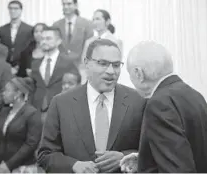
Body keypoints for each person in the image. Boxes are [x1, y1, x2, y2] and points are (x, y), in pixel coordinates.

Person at [37, 39, 146, 173]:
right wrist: (73, 166)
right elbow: (45, 155)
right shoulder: (61, 104)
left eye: (116, 65)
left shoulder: (138, 101)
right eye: (103, 64)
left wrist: (126, 157)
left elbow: (152, 150)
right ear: (86, 63)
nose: (111, 71)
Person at [126, 41, 207, 173]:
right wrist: (144, 159)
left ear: (138, 73)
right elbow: (192, 150)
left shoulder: (159, 104)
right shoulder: (195, 95)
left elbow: (177, 170)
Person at [0, 77, 43, 173]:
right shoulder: (3, 111)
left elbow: (31, 144)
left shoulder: (32, 114)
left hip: (22, 168)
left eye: (7, 90)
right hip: (0, 165)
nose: (3, 93)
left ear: (18, 93)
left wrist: (9, 165)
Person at [31, 26, 78, 122]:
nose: (44, 42)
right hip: (37, 112)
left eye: (48, 38)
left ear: (59, 41)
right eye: (42, 39)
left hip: (60, 112)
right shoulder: (35, 64)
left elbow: (75, 88)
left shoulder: (68, 62)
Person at [0, 0, 33, 76]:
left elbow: (29, 51)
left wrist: (19, 66)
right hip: (4, 68)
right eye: (10, 8)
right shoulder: (1, 30)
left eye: (16, 8)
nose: (13, 11)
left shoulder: (29, 29)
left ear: (21, 10)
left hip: (23, 68)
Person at [53, 0, 94, 66]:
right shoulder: (56, 25)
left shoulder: (87, 24)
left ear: (76, 5)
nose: (66, 7)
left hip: (80, 65)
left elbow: (90, 47)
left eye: (69, 4)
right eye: (64, 4)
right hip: (60, 66)